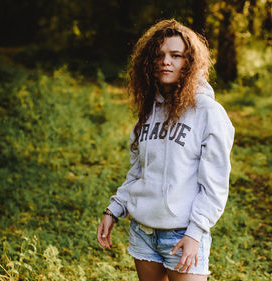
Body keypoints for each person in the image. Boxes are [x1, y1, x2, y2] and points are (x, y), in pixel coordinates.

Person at [97, 19, 234, 281]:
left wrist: (195, 233)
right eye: (159, 55)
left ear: (190, 62)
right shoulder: (148, 112)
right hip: (143, 233)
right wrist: (113, 210)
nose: (165, 61)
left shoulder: (209, 113)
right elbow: (138, 172)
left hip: (182, 234)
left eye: (176, 55)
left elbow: (215, 185)